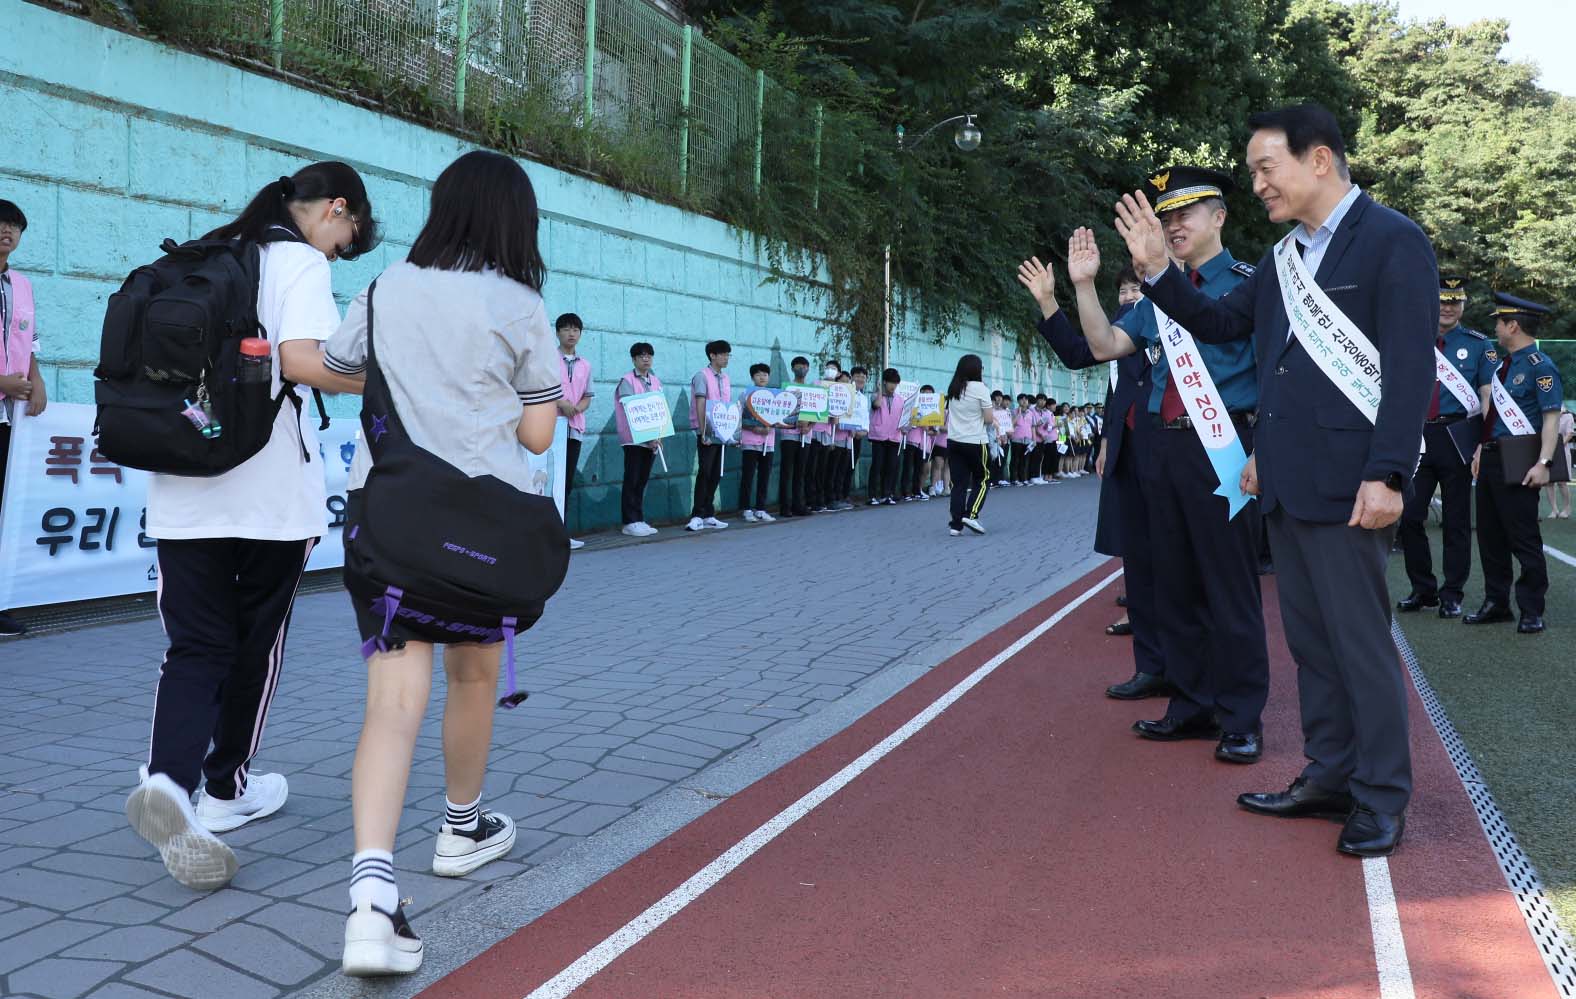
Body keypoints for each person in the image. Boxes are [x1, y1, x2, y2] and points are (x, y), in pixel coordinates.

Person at [1117, 104, 1436, 857]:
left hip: (1354, 483)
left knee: (1359, 644)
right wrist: (1158, 271)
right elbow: (1222, 324)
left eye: (1266, 167)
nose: (1256, 183)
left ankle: (1382, 795)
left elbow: (1409, 366)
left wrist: (1389, 471)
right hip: (1286, 481)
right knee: (1311, 642)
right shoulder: (1286, 256)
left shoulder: (1392, 241)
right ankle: (1329, 774)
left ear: (1319, 160)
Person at [322, 150, 563, 976]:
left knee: (391, 700)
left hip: (388, 518)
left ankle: (370, 900)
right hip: (484, 530)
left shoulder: (387, 286)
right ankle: (460, 829)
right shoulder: (523, 305)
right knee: (473, 676)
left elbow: (342, 367)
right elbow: (536, 433)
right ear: (514, 221)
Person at [126, 163, 378, 890]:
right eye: (344, 241)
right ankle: (228, 788)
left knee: (195, 643)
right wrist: (383, 376)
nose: (335, 254)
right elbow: (304, 360)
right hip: (268, 495)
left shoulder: (199, 254)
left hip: (181, 482)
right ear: (336, 210)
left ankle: (169, 782)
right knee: (253, 644)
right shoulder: (297, 260)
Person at [1058, 166, 1271, 764]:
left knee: (1228, 588)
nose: (1174, 224)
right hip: (1164, 445)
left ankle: (1240, 717)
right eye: (1166, 215)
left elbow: (1277, 373)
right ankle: (1191, 703)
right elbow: (1103, 346)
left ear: (1220, 217)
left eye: (1187, 213)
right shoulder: (1159, 289)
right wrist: (1082, 285)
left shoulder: (1251, 284)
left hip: (1225, 445)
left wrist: (1265, 449)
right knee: (1170, 584)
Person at [1464, 293, 1566, 634]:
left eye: (1499, 321)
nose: (1495, 327)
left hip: (1522, 461)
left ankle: (1531, 609)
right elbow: (1493, 416)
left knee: (1523, 538)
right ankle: (1497, 603)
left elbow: (1552, 420)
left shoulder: (1542, 367)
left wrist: (1544, 463)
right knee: (1490, 537)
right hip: (1492, 458)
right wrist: (1480, 449)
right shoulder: (1501, 366)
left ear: (1513, 325)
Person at [1395, 275, 1496, 618]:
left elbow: (1487, 397)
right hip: (1417, 437)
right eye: (1443, 300)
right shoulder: (1411, 340)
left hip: (1457, 437)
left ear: (1464, 306)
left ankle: (1452, 593)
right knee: (1409, 516)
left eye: (1455, 301)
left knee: (1456, 521)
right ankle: (1423, 589)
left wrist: (1484, 443)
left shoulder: (1479, 345)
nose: (1448, 307)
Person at [0, 198, 45, 638]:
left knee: (4, 509)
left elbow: (29, 338)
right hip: (3, 396)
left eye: (13, 225)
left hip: (8, 416)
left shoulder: (22, 285)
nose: (6, 232)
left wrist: (36, 379)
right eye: (0, 224)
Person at [613, 341, 662, 537]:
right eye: (641, 356)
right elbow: (630, 410)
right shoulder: (627, 381)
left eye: (649, 355)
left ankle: (639, 518)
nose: (646, 359)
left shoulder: (655, 381)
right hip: (634, 439)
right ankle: (628, 521)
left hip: (652, 440)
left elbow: (659, 411)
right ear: (633, 359)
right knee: (632, 479)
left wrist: (658, 435)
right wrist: (646, 437)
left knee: (642, 479)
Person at [555, 313, 593, 550]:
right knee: (549, 482)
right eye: (567, 329)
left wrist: (577, 408)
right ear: (557, 332)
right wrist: (562, 403)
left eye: (576, 330)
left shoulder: (585, 365)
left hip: (574, 429)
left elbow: (588, 396)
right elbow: (541, 385)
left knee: (566, 483)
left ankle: (561, 533)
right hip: (550, 427)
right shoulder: (547, 358)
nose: (571, 334)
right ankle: (545, 534)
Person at [944, 356, 993, 536]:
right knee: (983, 478)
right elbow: (988, 419)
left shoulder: (953, 387)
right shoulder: (981, 389)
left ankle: (955, 525)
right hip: (975, 441)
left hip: (954, 441)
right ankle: (971, 514)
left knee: (959, 484)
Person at [687, 339, 732, 532]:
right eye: (722, 354)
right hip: (707, 431)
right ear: (712, 355)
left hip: (722, 431)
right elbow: (700, 403)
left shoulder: (726, 378)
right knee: (705, 471)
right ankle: (697, 515)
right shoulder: (702, 376)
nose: (726, 357)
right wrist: (704, 431)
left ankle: (708, 513)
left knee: (716, 472)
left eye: (728, 354)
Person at [738, 362, 778, 522]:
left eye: (765, 374)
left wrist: (770, 426)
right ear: (752, 377)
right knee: (748, 476)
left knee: (764, 476)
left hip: (768, 442)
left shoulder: (775, 396)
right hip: (750, 441)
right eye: (758, 374)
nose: (762, 377)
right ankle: (746, 509)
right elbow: (740, 418)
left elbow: (781, 418)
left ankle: (761, 508)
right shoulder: (745, 395)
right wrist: (755, 429)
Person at [777, 355, 813, 517]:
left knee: (801, 472)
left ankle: (799, 504)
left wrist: (809, 426)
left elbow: (817, 413)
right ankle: (785, 506)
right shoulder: (787, 389)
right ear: (792, 369)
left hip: (806, 436)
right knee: (787, 471)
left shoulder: (813, 391)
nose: (802, 368)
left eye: (804, 366)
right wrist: (794, 423)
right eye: (798, 366)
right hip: (789, 435)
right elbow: (781, 412)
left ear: (808, 369)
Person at [867, 367, 904, 505]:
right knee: (877, 466)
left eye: (895, 383)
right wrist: (879, 391)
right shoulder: (876, 395)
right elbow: (876, 405)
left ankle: (886, 494)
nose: (893, 386)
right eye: (890, 382)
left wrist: (905, 428)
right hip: (879, 436)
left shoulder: (900, 399)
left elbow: (903, 418)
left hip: (894, 436)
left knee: (891, 466)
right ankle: (872, 496)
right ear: (884, 382)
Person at [1542, 406, 1573, 519]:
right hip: (1546, 452)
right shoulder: (1545, 414)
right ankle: (1554, 510)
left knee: (1562, 482)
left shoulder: (1568, 416)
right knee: (1549, 481)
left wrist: (1558, 447)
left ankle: (1567, 508)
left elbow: (1570, 434)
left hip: (1562, 452)